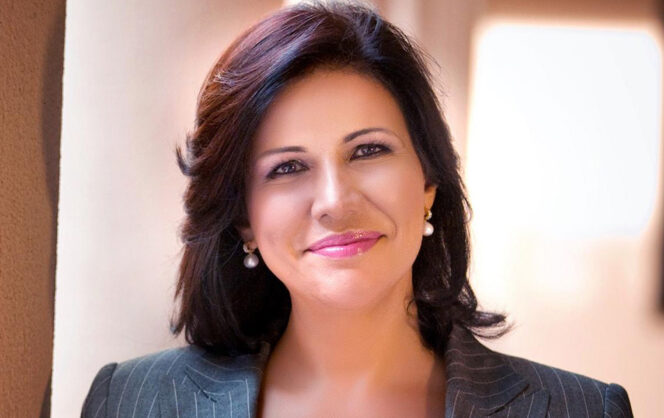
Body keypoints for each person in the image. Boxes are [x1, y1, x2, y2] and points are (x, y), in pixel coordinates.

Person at [81, 2, 634, 417]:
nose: (335, 202)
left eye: (368, 151)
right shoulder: (130, 400)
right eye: (287, 167)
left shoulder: (584, 409)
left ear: (428, 181)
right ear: (244, 217)